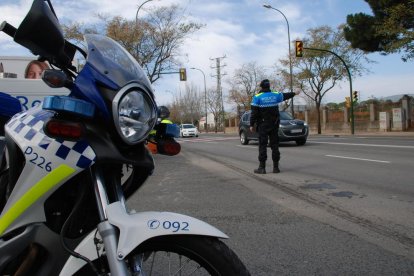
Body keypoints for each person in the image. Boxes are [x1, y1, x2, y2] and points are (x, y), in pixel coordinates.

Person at [249, 79, 300, 174]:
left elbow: (254, 113)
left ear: (261, 86)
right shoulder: (275, 95)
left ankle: (262, 168)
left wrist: (251, 124)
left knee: (262, 145)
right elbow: (285, 95)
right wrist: (295, 93)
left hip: (263, 125)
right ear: (269, 86)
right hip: (274, 124)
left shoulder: (257, 97)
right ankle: (276, 168)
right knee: (275, 145)